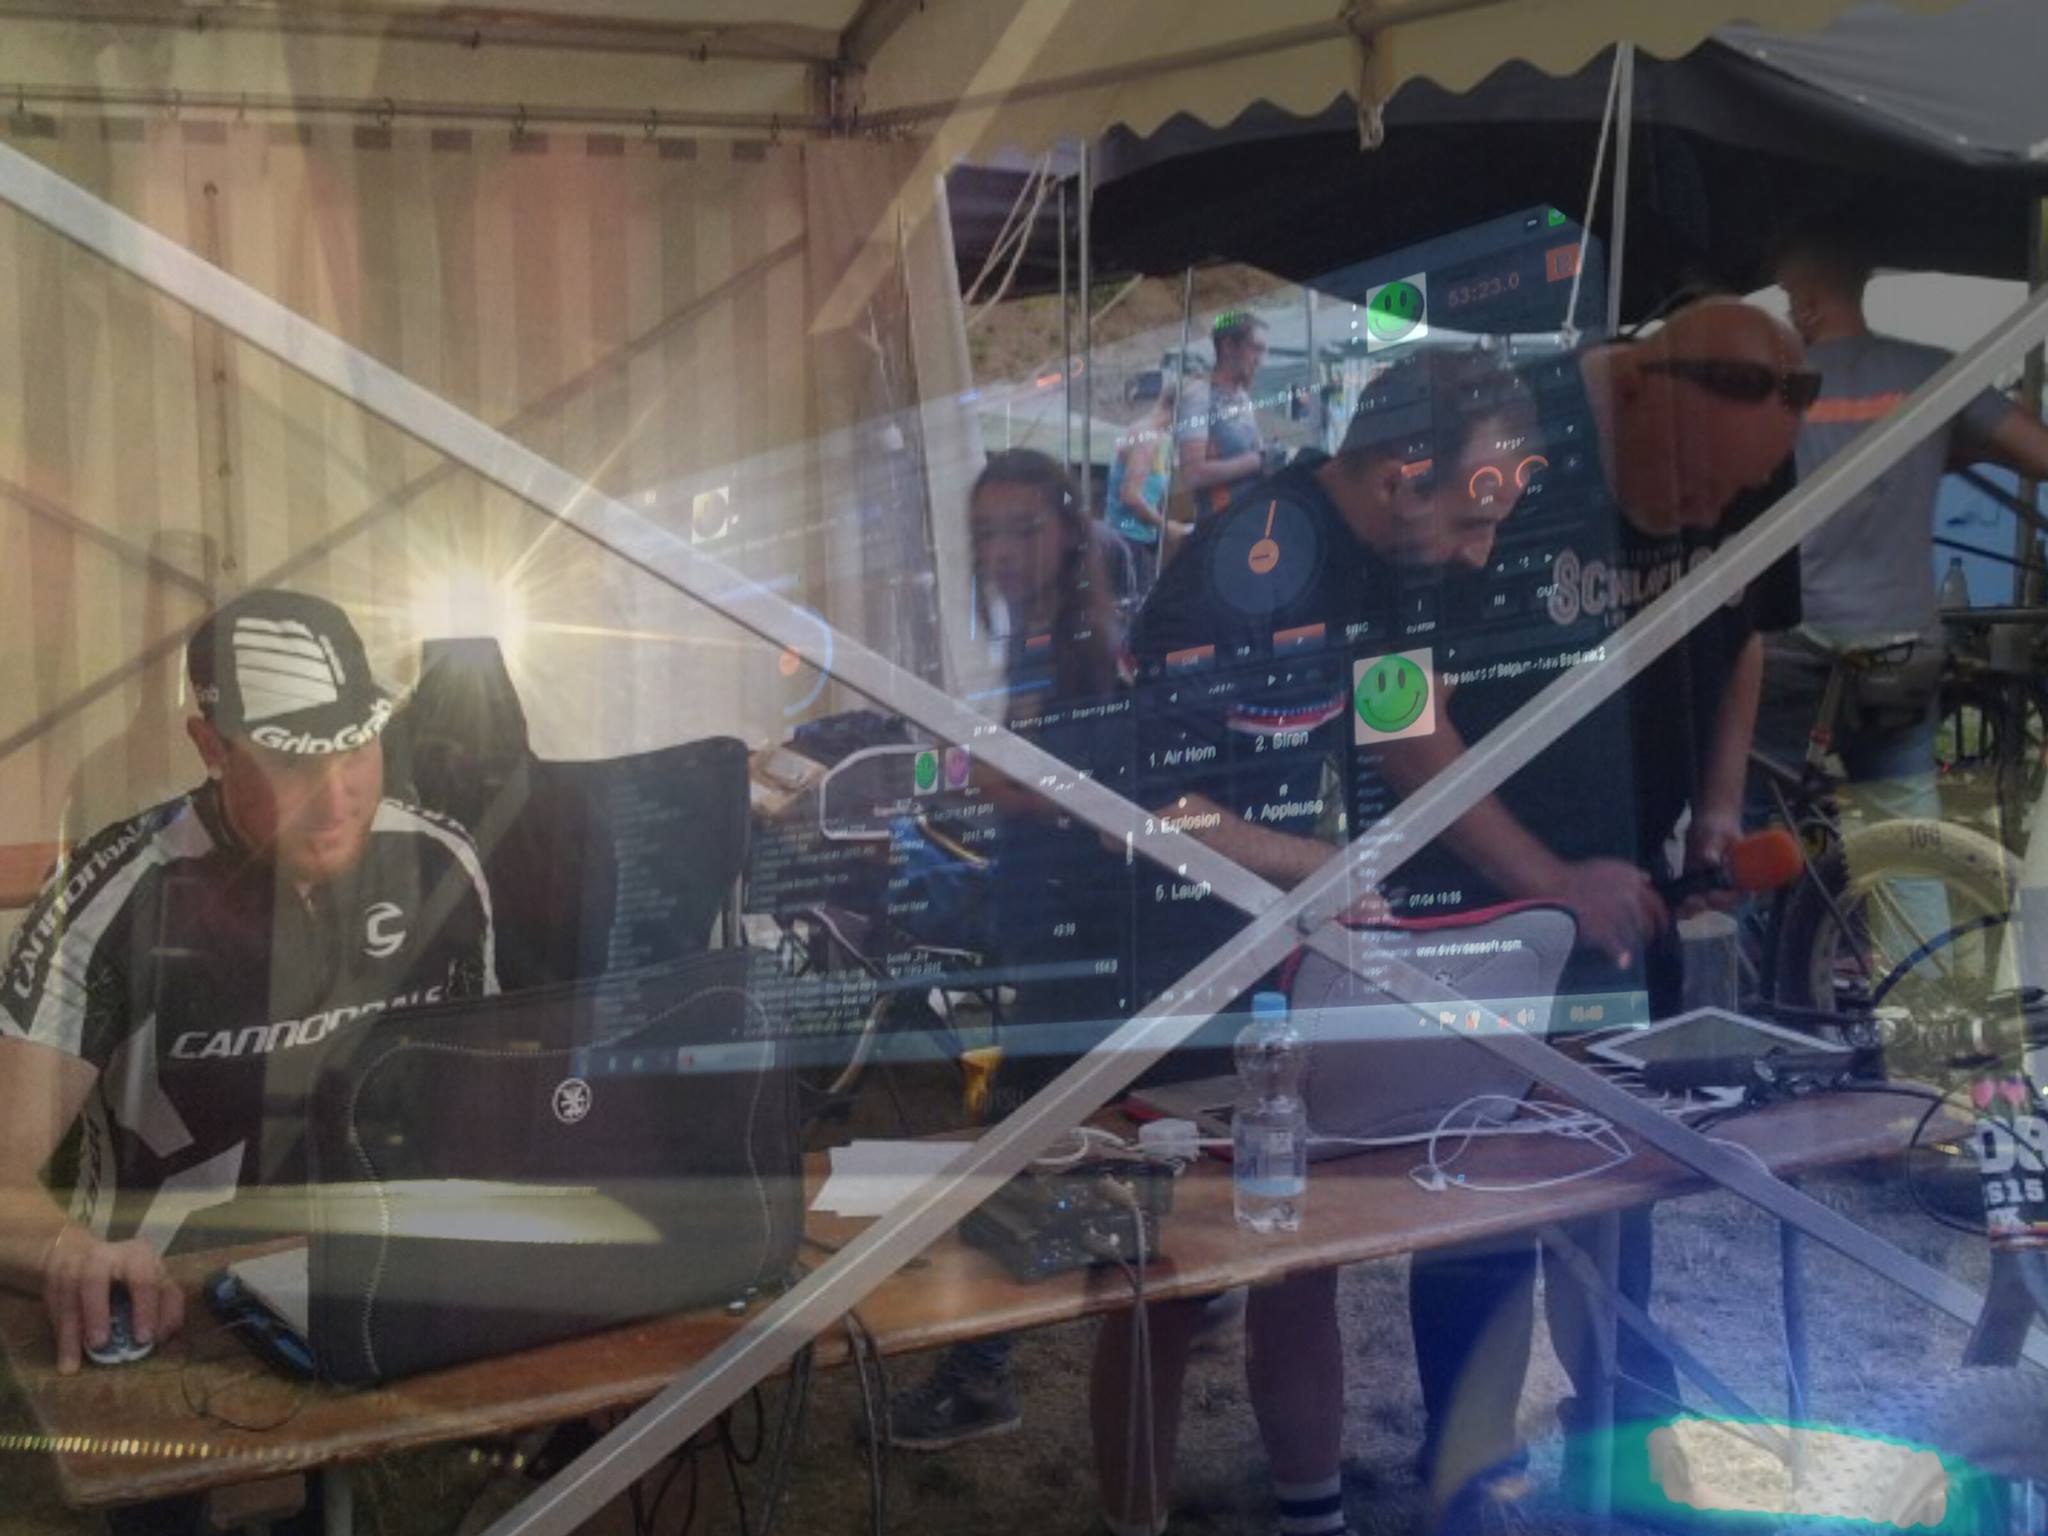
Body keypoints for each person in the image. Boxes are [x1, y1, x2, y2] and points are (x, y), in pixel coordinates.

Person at [1098, 299, 1809, 1536]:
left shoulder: (1393, 564)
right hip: (1165, 975)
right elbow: (1142, 807)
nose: (1486, 555)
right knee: (1160, 1285)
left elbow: (1402, 728)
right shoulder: (1250, 564)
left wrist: (1529, 874)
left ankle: (1314, 1515)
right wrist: (1322, 864)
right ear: (1400, 476)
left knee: (1298, 1251)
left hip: (1274, 958)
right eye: (1475, 518)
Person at [0, 589, 496, 1376]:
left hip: (394, 1288)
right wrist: (70, 1253)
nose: (337, 798)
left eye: (357, 746)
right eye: (293, 761)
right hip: (174, 1321)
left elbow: (494, 1099)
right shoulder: (111, 898)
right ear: (211, 747)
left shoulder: (443, 862)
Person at [888, 449, 1136, 1450]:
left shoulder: (1085, 642)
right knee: (1057, 1147)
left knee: (1012, 1159)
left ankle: (980, 1375)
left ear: (1068, 532)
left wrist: (970, 775)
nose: (1000, 550)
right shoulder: (1040, 636)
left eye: (1023, 528)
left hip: (1083, 940)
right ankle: (1185, 1299)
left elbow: (1083, 792)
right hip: (1042, 930)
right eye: (986, 532)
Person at [1754, 225, 2048, 836]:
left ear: (1808, 301)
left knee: (1755, 824)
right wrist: (1943, 450)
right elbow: (2038, 453)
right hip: (1899, 646)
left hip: (1795, 640)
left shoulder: (1777, 389)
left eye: (1789, 298)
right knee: (1904, 832)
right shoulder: (1929, 374)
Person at [1177, 311, 1274, 520]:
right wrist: (1257, 461)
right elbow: (1192, 474)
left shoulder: (1242, 397)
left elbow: (1254, 452)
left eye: (1263, 352)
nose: (1260, 361)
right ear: (1228, 346)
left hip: (1250, 515)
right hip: (1219, 522)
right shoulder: (1199, 395)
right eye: (1255, 349)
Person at [1109, 373, 1185, 593]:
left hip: (1143, 543)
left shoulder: (1163, 438)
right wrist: (1166, 526)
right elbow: (1131, 496)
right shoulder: (1146, 436)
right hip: (1126, 544)